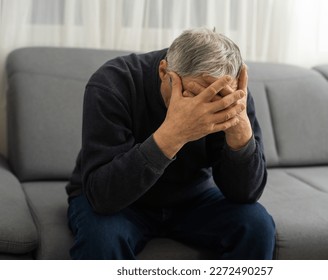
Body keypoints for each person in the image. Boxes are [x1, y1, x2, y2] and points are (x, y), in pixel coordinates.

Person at [65, 27, 275, 260]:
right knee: (102, 241)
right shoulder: (113, 82)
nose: (202, 109)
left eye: (215, 100)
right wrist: (174, 134)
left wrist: (240, 136)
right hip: (120, 202)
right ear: (164, 71)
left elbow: (245, 194)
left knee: (258, 227)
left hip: (192, 198)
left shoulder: (230, 94)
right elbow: (103, 196)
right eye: (192, 95)